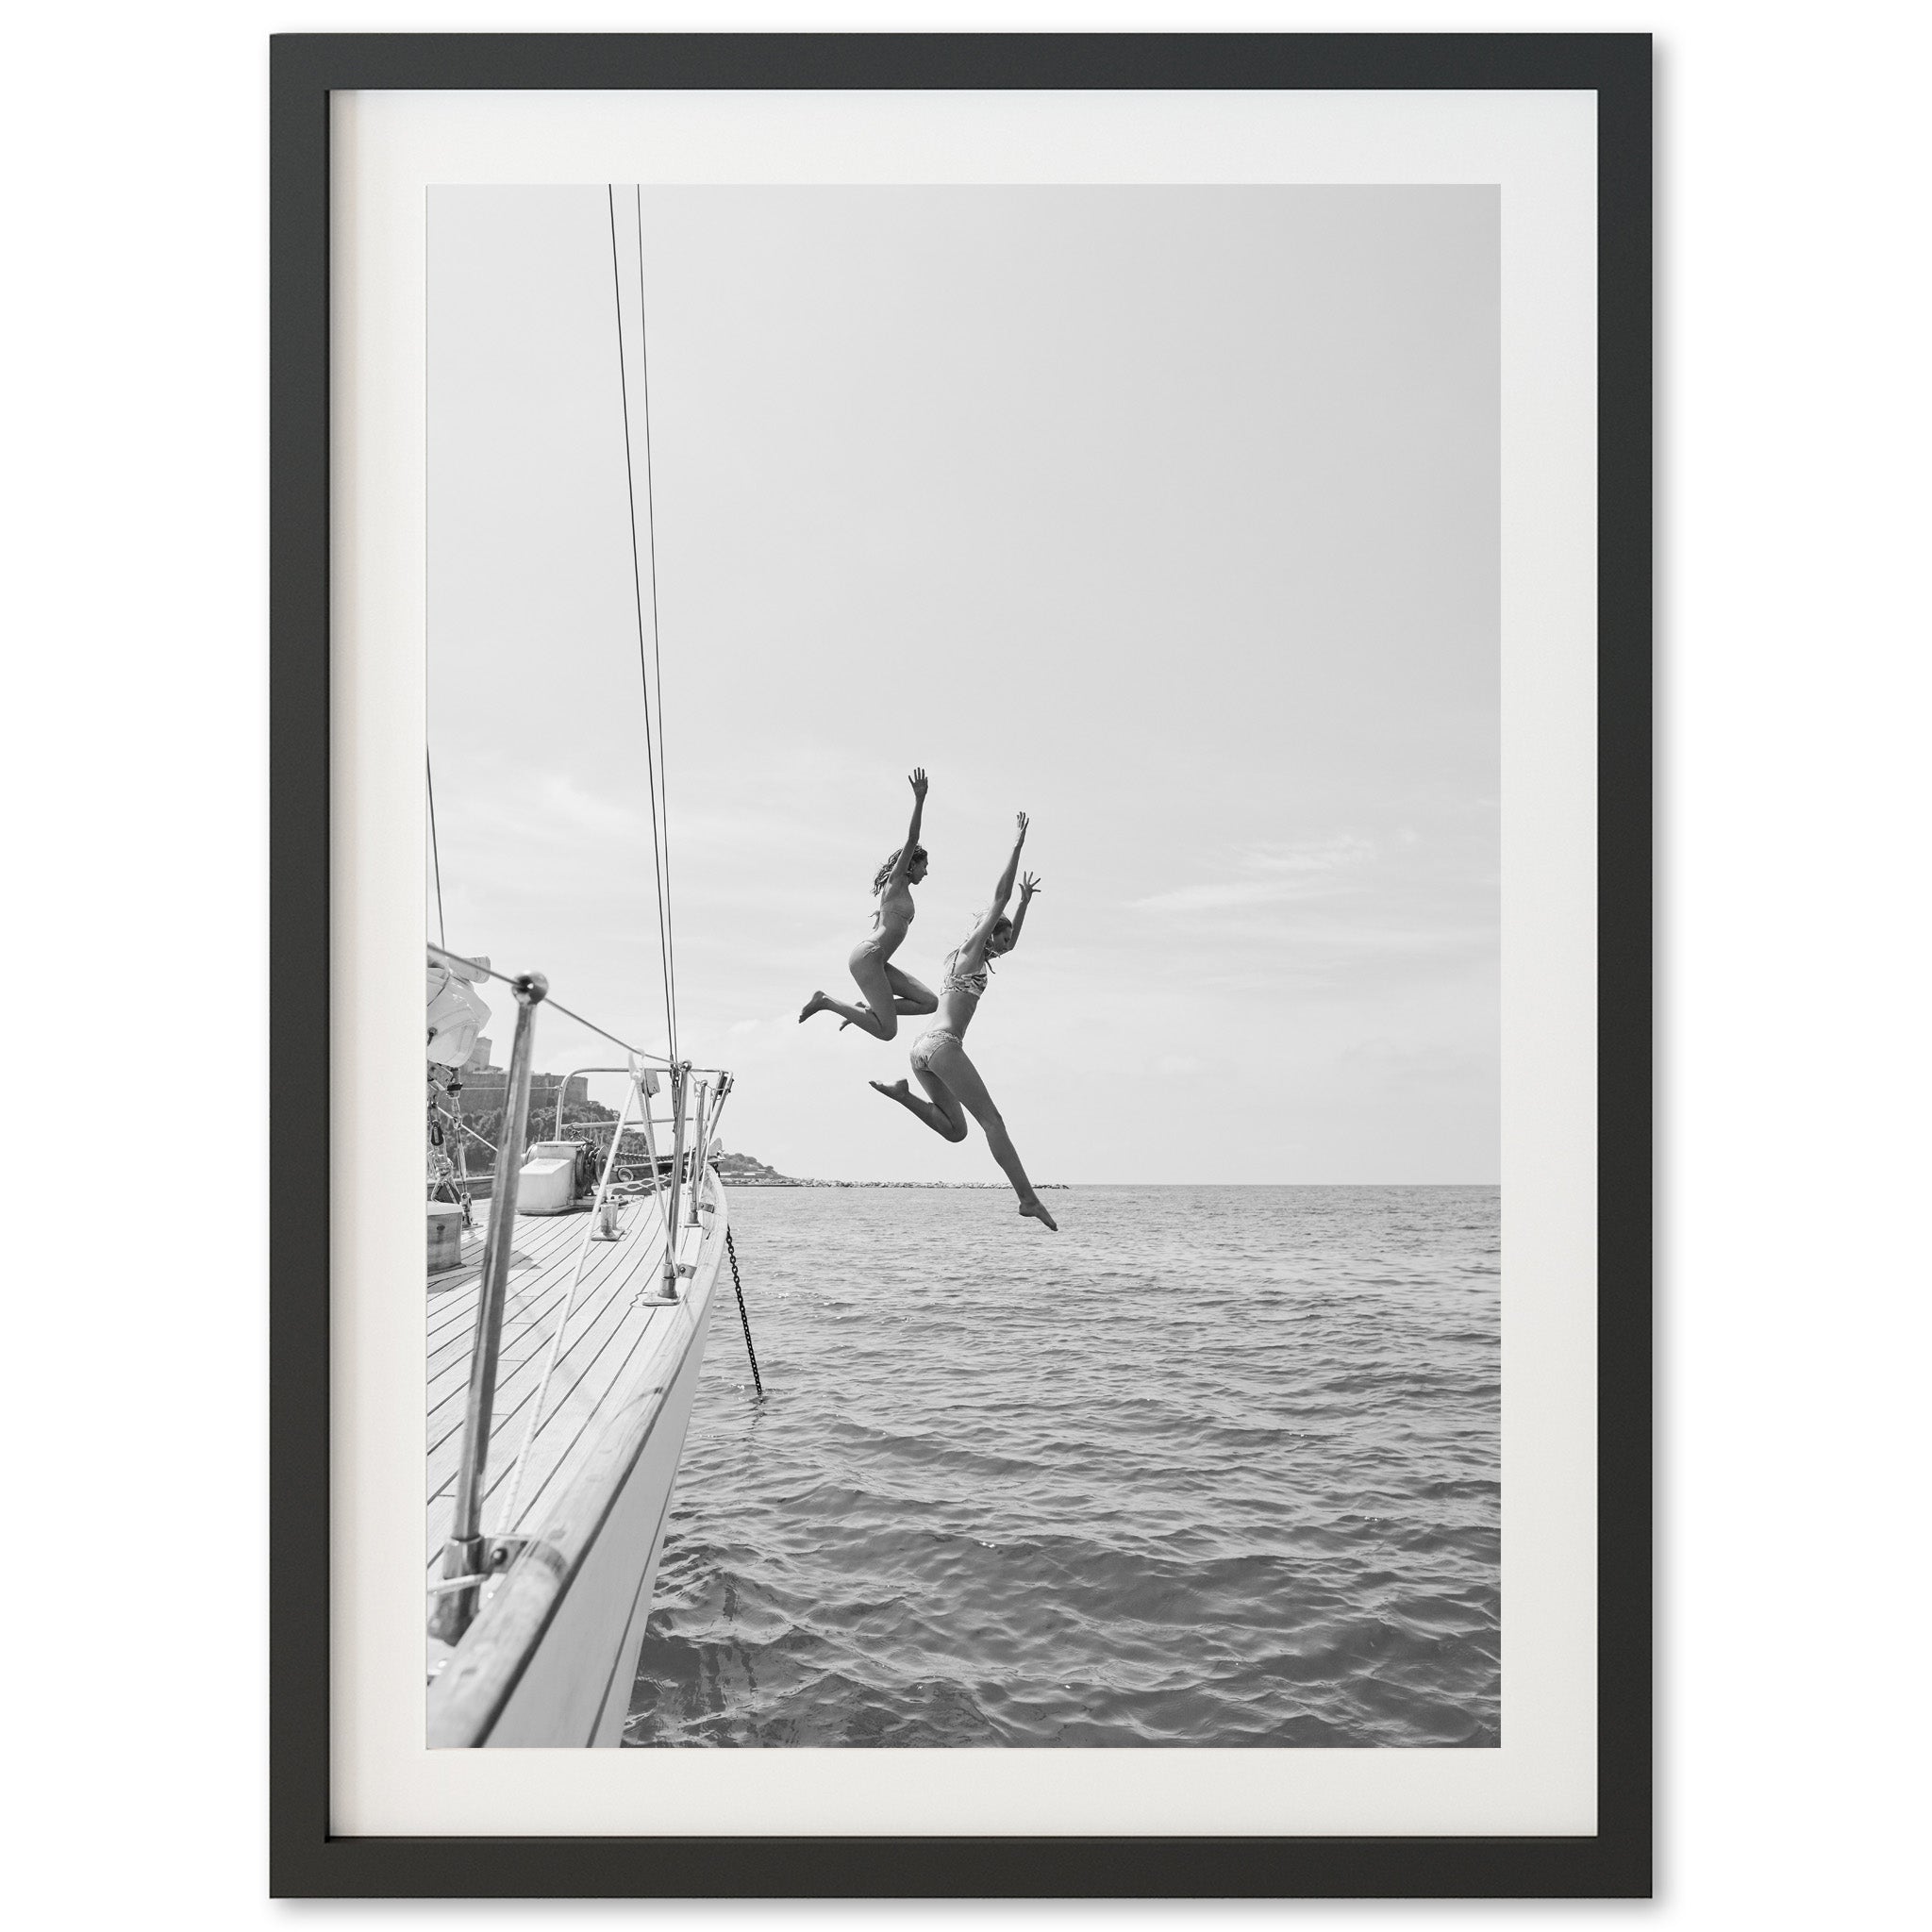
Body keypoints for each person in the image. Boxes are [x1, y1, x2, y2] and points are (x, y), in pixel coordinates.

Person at [871, 812, 1057, 1230]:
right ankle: (1027, 1198)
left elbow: (1011, 935)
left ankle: (903, 1095)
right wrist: (1017, 846)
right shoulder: (972, 951)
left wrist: (1026, 905)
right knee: (993, 1122)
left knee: (957, 1131)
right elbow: (999, 898)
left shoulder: (968, 960)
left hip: (921, 1051)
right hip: (942, 1046)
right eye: (1002, 938)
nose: (1005, 947)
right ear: (989, 933)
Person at [799, 769, 939, 1041]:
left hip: (878, 961)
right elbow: (912, 839)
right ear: (912, 864)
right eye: (925, 866)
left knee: (929, 1002)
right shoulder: (897, 880)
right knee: (887, 1032)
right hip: (869, 957)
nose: (926, 872)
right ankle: (825, 1001)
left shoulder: (903, 890)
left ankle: (864, 1009)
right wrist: (920, 800)